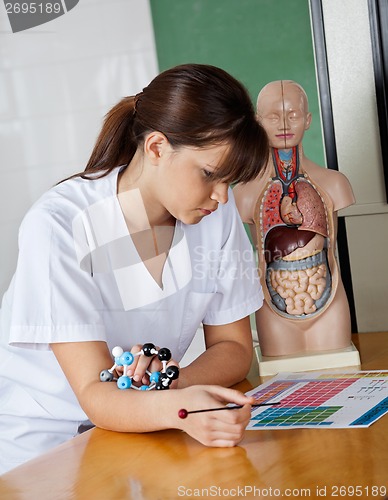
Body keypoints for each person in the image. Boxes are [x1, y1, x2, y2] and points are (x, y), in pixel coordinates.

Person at [0, 64, 269, 474]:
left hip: (140, 429)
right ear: (157, 148)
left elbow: (234, 348)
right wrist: (176, 406)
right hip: (42, 449)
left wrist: (173, 383)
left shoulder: (214, 213)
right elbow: (94, 393)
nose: (221, 197)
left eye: (229, 182)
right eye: (210, 175)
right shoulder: (58, 224)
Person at [234, 80, 355, 357]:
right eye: (274, 116)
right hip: (273, 304)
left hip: (329, 301)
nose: (285, 125)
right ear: (258, 121)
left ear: (308, 120)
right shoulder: (244, 192)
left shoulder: (335, 184)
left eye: (293, 115)